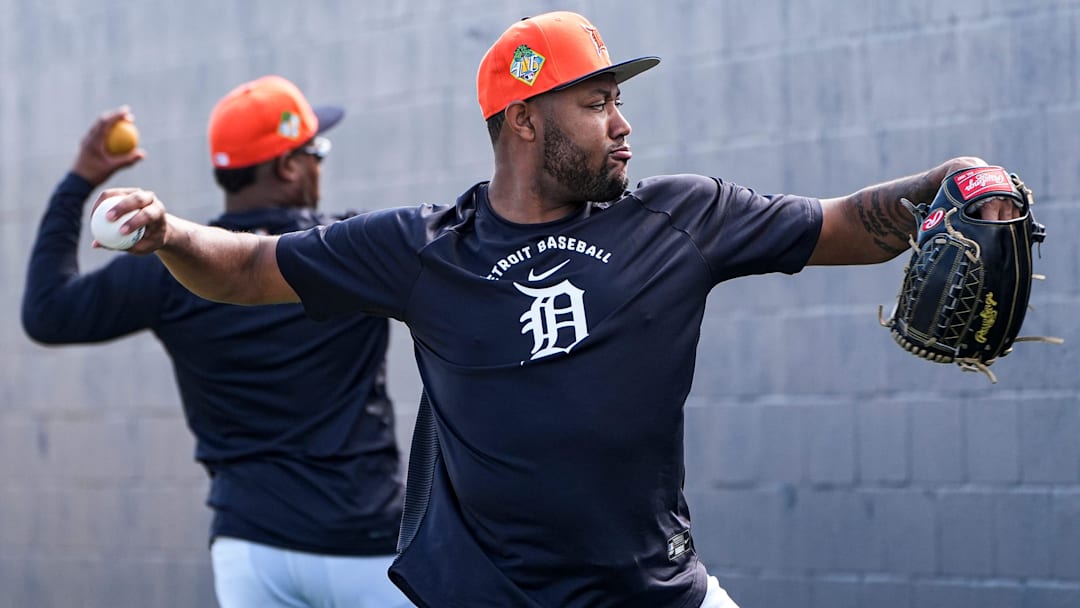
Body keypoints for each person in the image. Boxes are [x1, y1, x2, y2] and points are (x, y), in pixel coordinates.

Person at [93, 12, 1023, 608]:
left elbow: (845, 224)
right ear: (526, 120)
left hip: (653, 591)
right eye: (597, 102)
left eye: (620, 101)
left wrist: (952, 182)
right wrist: (169, 231)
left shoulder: (683, 216)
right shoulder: (425, 249)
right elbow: (249, 267)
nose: (622, 123)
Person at [22, 76, 411, 608]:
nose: (319, 166)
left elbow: (47, 313)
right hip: (366, 545)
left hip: (253, 549)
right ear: (288, 167)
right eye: (314, 152)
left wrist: (78, 182)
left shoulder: (170, 267)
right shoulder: (347, 250)